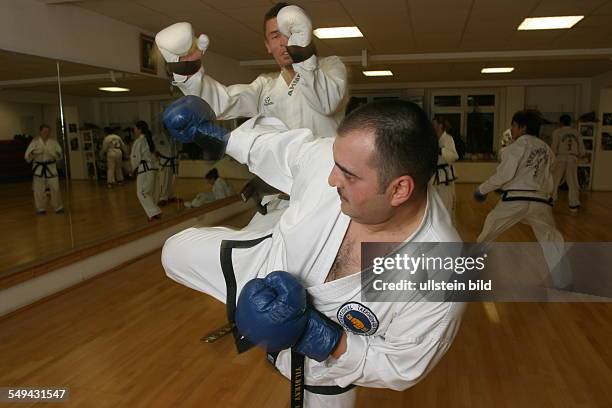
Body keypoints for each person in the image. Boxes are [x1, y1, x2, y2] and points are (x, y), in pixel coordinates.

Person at [161, 98, 465, 408]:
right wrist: (215, 135)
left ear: (399, 189)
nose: (332, 178)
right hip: (263, 269)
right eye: (335, 163)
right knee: (174, 253)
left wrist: (320, 337)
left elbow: (402, 366)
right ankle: (272, 222)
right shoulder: (328, 160)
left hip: (327, 366)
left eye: (348, 175)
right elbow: (279, 149)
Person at [155, 3, 348, 222]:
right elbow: (221, 103)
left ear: (305, 33)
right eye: (276, 36)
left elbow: (326, 102)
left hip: (330, 190)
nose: (285, 42)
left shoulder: (331, 68)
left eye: (291, 33)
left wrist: (302, 52)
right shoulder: (265, 85)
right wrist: (186, 70)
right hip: (284, 193)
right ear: (267, 45)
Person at [473, 109, 570, 288]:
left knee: (488, 232)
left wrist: (482, 189)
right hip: (540, 201)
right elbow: (551, 176)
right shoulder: (546, 149)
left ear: (522, 128)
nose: (512, 129)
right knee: (551, 239)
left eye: (514, 126)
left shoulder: (516, 146)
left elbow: (504, 175)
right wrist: (551, 196)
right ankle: (563, 281)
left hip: (516, 200)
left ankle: (468, 272)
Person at [24, 124, 64, 214]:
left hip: (51, 167)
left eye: (48, 131)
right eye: (44, 131)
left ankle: (58, 207)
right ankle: (40, 208)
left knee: (55, 188)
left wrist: (53, 154)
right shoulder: (34, 143)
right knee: (38, 189)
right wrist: (35, 154)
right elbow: (27, 157)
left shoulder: (54, 143)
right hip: (39, 168)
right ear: (40, 131)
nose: (46, 133)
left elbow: (60, 155)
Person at [551, 114, 584, 212]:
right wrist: (581, 154)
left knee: (555, 180)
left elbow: (554, 146)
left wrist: (552, 157)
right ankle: (574, 204)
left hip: (560, 157)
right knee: (573, 181)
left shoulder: (557, 132)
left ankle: (551, 200)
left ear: (561, 122)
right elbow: (581, 148)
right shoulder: (576, 132)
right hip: (572, 158)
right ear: (570, 122)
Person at [130, 120, 162, 221]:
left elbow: (135, 157)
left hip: (144, 169)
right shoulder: (150, 140)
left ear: (139, 129)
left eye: (135, 128)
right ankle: (155, 213)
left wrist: (133, 168)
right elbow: (155, 155)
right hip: (152, 168)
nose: (134, 130)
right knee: (149, 192)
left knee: (142, 192)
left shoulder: (139, 141)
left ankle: (154, 212)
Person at [431, 116, 458, 223]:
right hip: (434, 177)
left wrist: (441, 151)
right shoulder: (432, 139)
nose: (432, 126)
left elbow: (454, 156)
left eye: (434, 124)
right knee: (434, 204)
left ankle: (448, 228)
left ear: (440, 125)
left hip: (445, 177)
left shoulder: (448, 139)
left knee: (447, 204)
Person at [154, 128, 179, 205]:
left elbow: (176, 149)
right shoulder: (157, 137)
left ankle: (170, 196)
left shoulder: (174, 136)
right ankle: (162, 197)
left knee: (172, 179)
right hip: (164, 161)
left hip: (173, 161)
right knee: (164, 180)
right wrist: (156, 159)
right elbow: (154, 150)